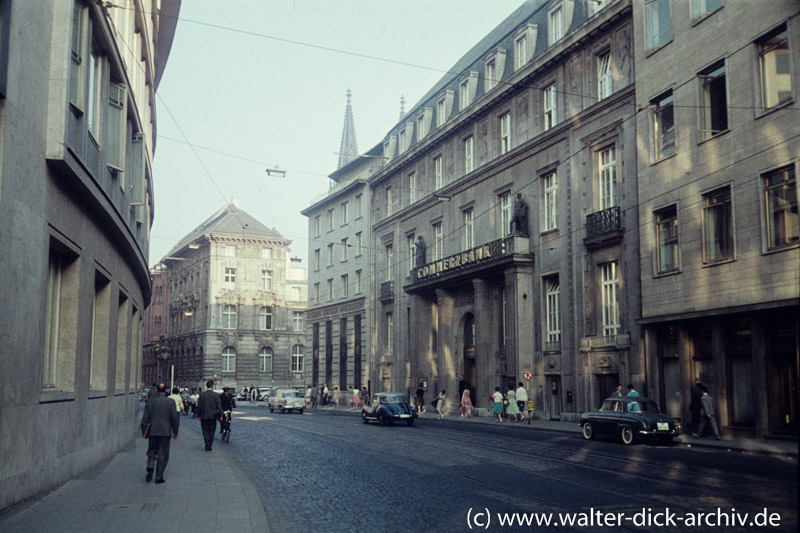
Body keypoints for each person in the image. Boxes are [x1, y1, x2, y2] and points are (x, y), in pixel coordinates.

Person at [140, 383, 179, 484]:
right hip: (165, 432)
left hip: (153, 430)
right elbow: (174, 418)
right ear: (166, 390)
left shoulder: (150, 402)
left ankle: (150, 466)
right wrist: (175, 432)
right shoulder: (171, 402)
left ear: (157, 390)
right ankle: (159, 477)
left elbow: (145, 418)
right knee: (163, 454)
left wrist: (144, 431)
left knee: (152, 450)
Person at [197, 380, 223, 451]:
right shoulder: (216, 395)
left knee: (205, 430)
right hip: (213, 416)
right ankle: (210, 444)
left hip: (204, 415)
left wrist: (198, 415)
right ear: (212, 386)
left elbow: (199, 406)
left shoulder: (202, 394)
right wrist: (221, 415)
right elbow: (219, 406)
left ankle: (207, 441)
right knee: (212, 430)